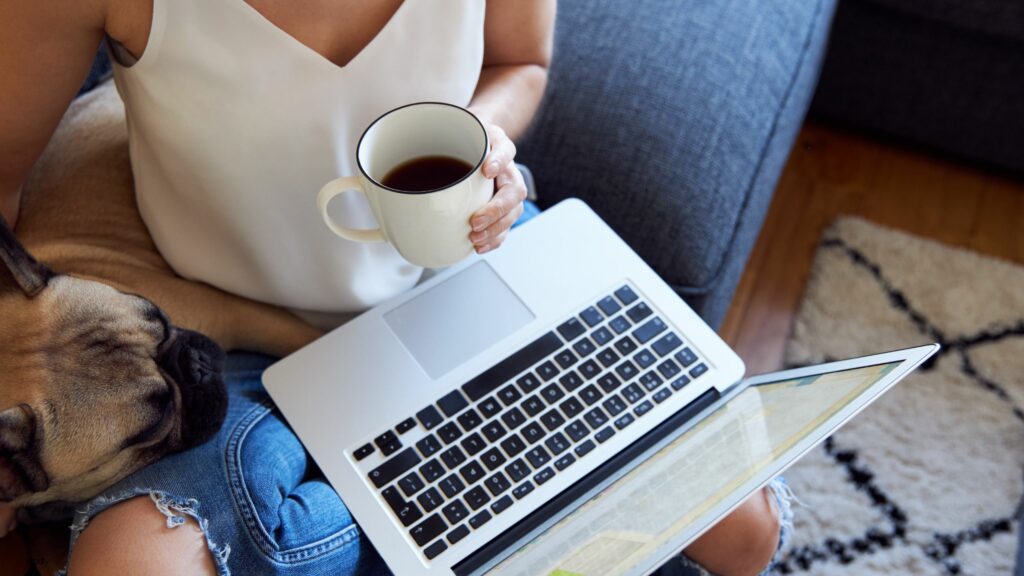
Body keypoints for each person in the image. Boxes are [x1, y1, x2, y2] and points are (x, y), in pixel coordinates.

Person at [0, 1, 787, 574]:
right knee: (132, 564)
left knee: (744, 536)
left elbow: (523, 61)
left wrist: (486, 146)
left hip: (464, 272)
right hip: (223, 333)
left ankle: (398, 514)